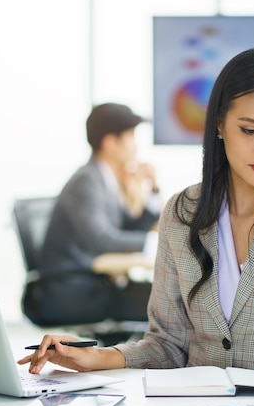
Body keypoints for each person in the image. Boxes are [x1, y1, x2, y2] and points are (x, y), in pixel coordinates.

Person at [19, 48, 254, 406]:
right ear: (219, 123)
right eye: (250, 130)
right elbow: (168, 345)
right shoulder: (181, 213)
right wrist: (97, 357)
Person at [25, 103, 161, 327]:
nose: (136, 147)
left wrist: (153, 189)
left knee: (166, 297)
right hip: (70, 292)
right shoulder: (87, 181)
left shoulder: (104, 178)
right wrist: (155, 243)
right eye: (131, 138)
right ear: (111, 143)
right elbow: (102, 240)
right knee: (164, 302)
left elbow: (129, 228)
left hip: (91, 286)